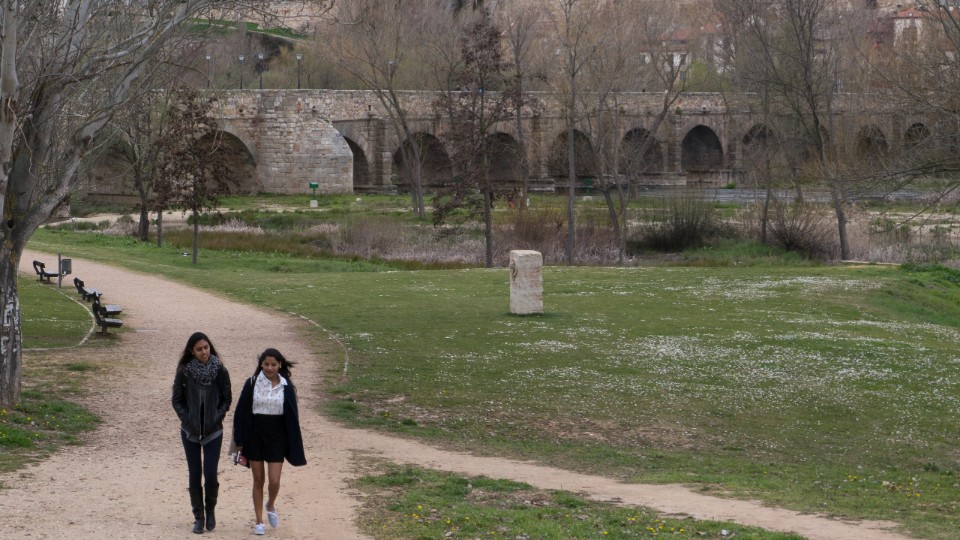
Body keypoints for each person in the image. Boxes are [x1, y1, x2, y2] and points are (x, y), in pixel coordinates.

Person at [233, 348, 306, 536]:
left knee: (274, 481)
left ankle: (270, 505)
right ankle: (259, 521)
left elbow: (292, 417)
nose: (270, 368)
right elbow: (240, 412)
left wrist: (292, 441)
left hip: (277, 437)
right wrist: (239, 440)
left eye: (273, 364)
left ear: (280, 365)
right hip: (255, 436)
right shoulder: (252, 383)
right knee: (258, 480)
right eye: (266, 364)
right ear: (261, 364)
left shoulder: (286, 386)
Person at [171, 332, 232, 534]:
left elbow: (227, 398)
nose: (204, 352)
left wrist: (217, 416)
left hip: (213, 431)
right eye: (199, 349)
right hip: (190, 431)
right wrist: (188, 420)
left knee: (210, 472)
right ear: (192, 351)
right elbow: (177, 400)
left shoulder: (220, 370)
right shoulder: (184, 372)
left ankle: (210, 509)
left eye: (206, 347)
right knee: (195, 473)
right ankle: (198, 516)